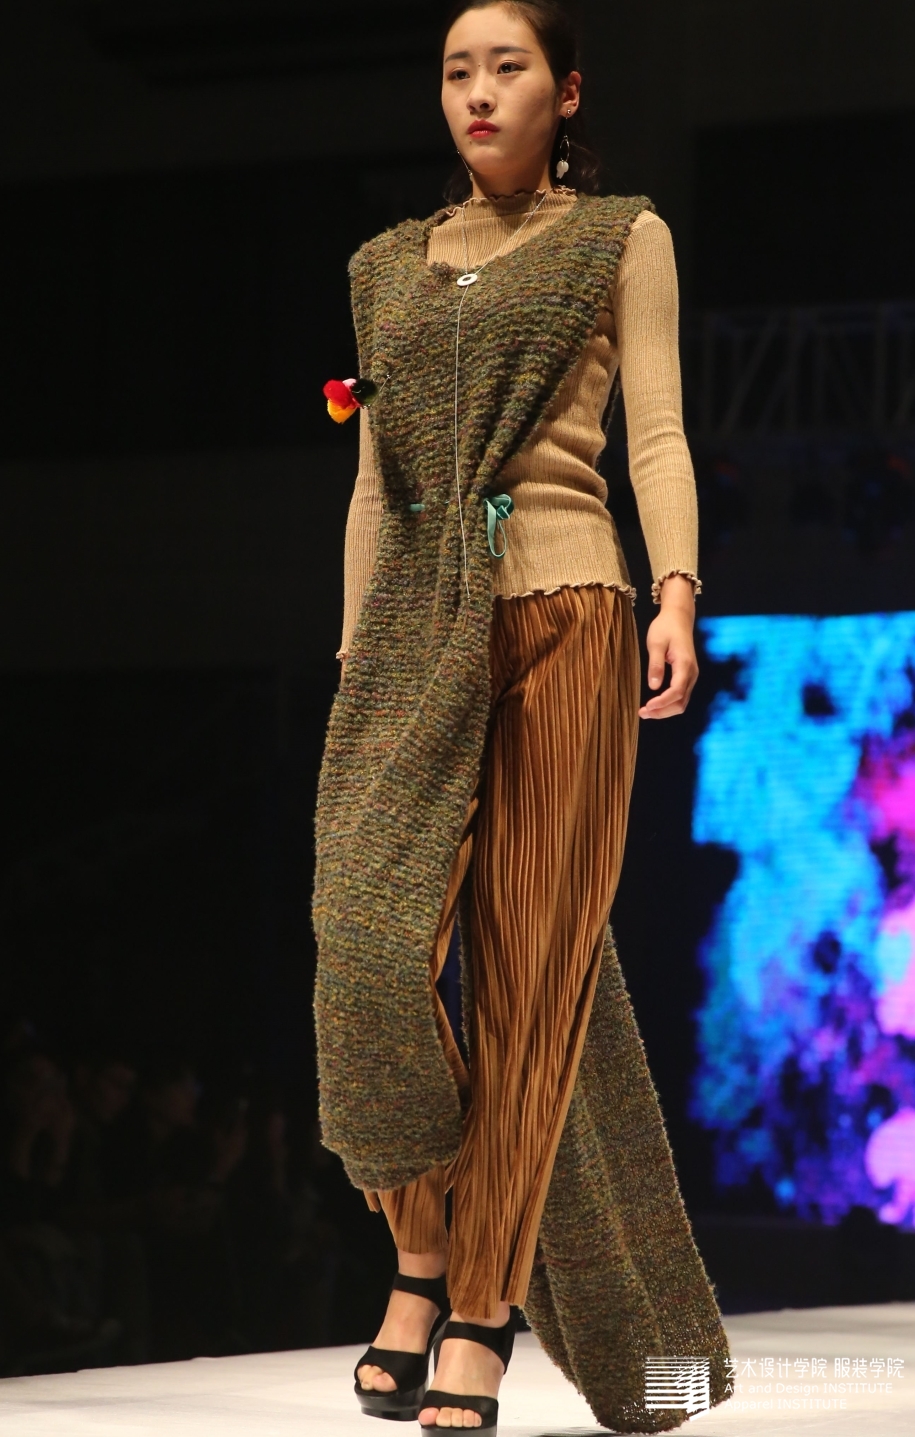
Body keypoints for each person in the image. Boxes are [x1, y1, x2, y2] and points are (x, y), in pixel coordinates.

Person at [313, 3, 731, 1432]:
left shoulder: (621, 237)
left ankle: (480, 1309)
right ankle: (421, 1244)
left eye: (507, 68)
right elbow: (376, 483)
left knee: (530, 978)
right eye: (456, 72)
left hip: (572, 611)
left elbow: (657, 431)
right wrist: (355, 649)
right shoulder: (385, 266)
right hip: (414, 632)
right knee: (365, 942)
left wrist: (676, 592)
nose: (478, 94)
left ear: (566, 90)